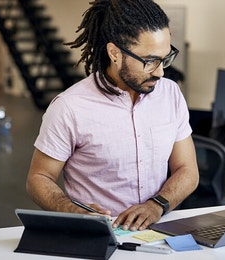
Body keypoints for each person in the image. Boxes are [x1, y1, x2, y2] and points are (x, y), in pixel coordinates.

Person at [26, 0, 199, 231]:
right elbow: (38, 178)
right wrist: (71, 210)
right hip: (99, 236)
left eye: (165, 58)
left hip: (158, 233)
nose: (160, 72)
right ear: (114, 53)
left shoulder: (171, 94)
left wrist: (156, 205)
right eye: (149, 61)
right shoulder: (70, 107)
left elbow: (188, 170)